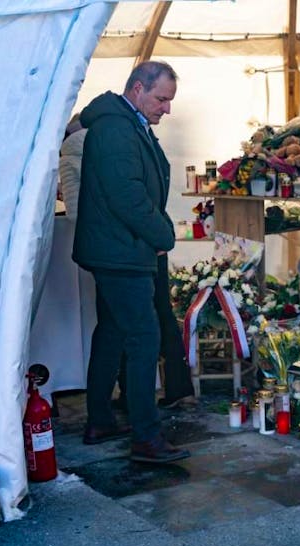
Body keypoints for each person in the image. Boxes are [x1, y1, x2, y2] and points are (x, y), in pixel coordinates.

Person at [72, 60, 189, 464]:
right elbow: (128, 196)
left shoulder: (125, 122)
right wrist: (163, 235)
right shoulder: (116, 128)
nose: (167, 109)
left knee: (113, 333)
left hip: (119, 249)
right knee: (144, 338)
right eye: (161, 99)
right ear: (138, 88)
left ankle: (101, 420)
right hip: (121, 252)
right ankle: (146, 437)